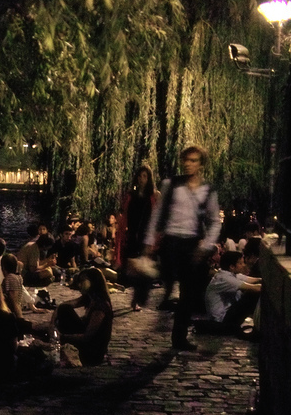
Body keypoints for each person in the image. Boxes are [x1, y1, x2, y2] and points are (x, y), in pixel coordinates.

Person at [145, 145, 222, 350]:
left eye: (194, 160)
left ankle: (179, 337)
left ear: (201, 164)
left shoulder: (208, 190)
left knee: (188, 293)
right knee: (166, 279)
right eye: (186, 160)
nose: (188, 164)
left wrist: (206, 246)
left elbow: (215, 221)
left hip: (192, 243)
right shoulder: (171, 185)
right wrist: (148, 242)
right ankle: (146, 288)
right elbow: (157, 215)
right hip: (171, 241)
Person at [54, 267, 114, 366]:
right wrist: (52, 325)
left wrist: (62, 337)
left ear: (93, 282)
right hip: (87, 343)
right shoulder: (90, 298)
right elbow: (63, 306)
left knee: (64, 313)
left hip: (92, 352)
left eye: (83, 281)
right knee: (64, 309)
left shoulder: (100, 305)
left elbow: (87, 336)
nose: (79, 285)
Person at [120, 166, 158, 311]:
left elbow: (155, 218)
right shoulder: (131, 195)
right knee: (131, 269)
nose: (141, 179)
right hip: (132, 235)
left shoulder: (152, 196)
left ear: (148, 179)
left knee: (143, 269)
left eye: (144, 176)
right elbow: (125, 215)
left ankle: (137, 298)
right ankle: (137, 296)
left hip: (146, 237)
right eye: (140, 176)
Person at [204, 251, 261, 333]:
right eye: (240, 263)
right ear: (232, 267)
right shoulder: (225, 279)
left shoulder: (229, 274)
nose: (243, 265)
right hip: (222, 319)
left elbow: (252, 280)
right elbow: (255, 288)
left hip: (226, 314)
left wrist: (261, 280)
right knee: (251, 295)